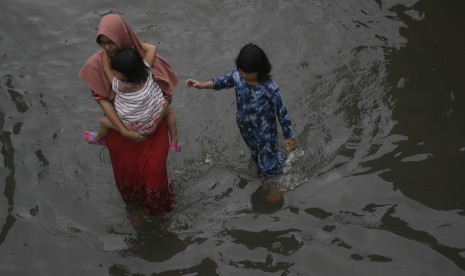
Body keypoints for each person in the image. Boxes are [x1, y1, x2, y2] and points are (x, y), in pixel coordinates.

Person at [78, 14, 178, 216]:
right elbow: (104, 102)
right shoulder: (131, 64)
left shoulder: (135, 59)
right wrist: (124, 131)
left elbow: (166, 95)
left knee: (155, 175)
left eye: (111, 42)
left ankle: (164, 215)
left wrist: (149, 123)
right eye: (102, 43)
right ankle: (134, 211)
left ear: (123, 36)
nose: (107, 48)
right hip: (123, 130)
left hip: (151, 130)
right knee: (127, 177)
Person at [185, 43, 297, 183]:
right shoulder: (237, 76)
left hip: (265, 133)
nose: (243, 74)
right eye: (241, 69)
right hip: (246, 129)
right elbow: (222, 82)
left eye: (247, 72)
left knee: (268, 161)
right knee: (256, 155)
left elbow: (282, 111)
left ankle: (275, 186)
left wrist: (289, 135)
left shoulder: (269, 88)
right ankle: (265, 169)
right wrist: (201, 85)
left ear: (259, 70)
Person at [82, 47, 181, 152]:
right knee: (169, 111)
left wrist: (106, 51)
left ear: (125, 75)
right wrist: (132, 43)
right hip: (152, 124)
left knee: (104, 122)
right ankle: (174, 141)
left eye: (116, 71)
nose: (114, 72)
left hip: (132, 129)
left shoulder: (120, 86)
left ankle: (98, 138)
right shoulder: (147, 71)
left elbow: (107, 69)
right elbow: (152, 48)